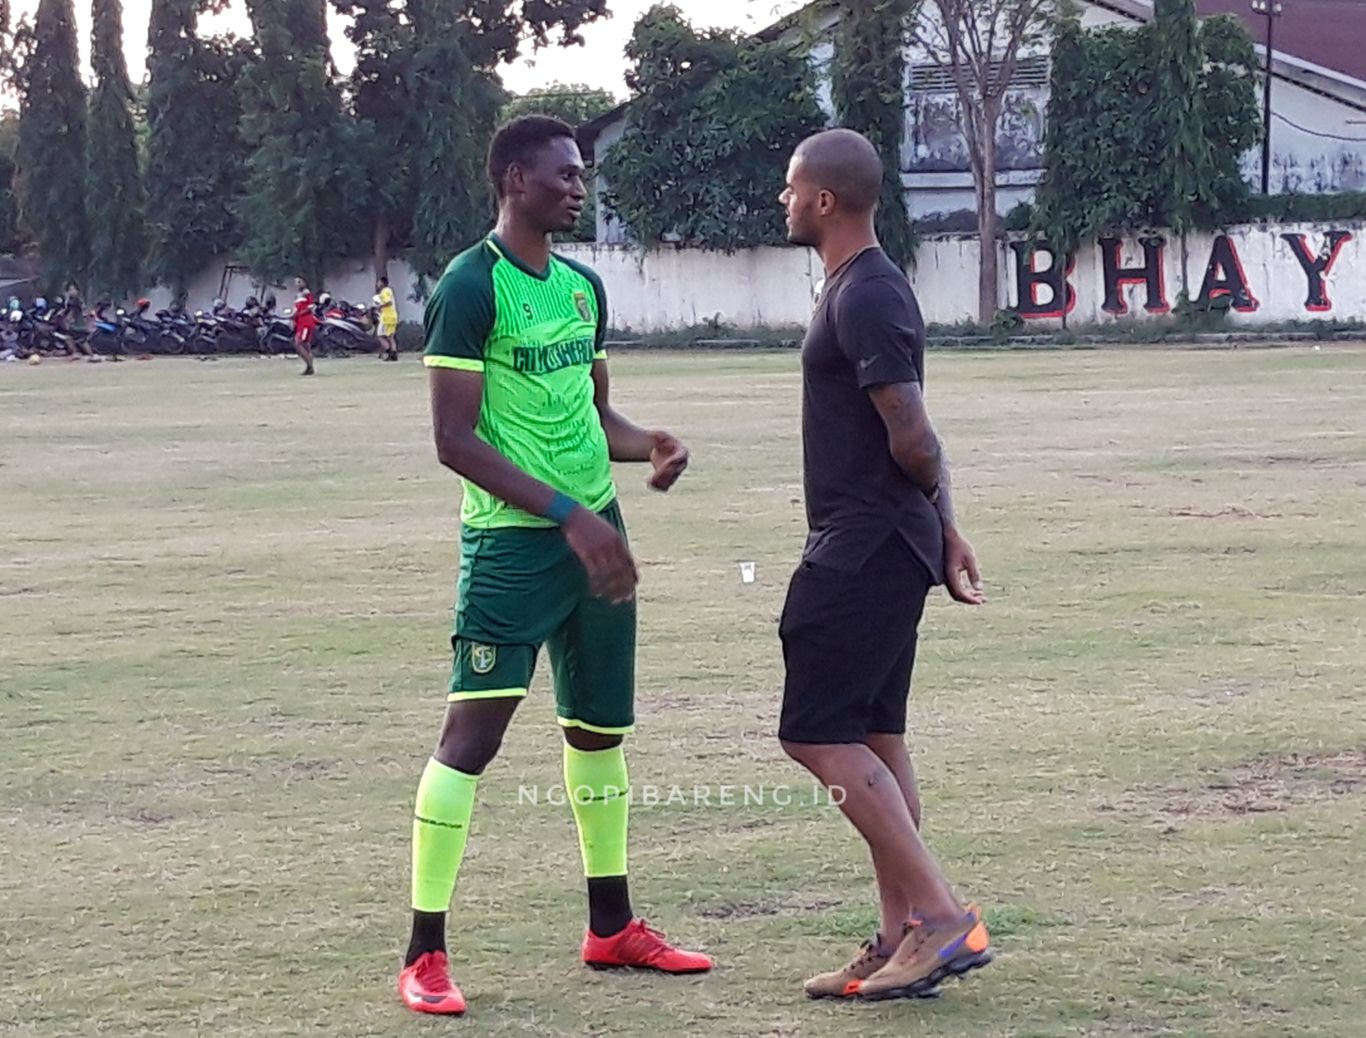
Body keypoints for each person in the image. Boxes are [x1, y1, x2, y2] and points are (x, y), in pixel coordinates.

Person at [398, 114, 712, 1017]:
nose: (579, 186)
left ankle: (611, 926)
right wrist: (569, 515)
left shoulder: (581, 289)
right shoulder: (470, 286)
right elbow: (453, 441)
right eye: (563, 174)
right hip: (513, 546)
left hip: (595, 539)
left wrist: (647, 442)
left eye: (582, 175)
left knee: (599, 733)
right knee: (473, 739)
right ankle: (423, 952)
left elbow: (594, 418)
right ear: (512, 180)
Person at [776, 127, 992, 1002]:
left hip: (862, 546)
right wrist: (943, 527)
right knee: (875, 736)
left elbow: (914, 434)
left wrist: (938, 520)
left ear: (825, 200)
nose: (783, 201)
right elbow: (914, 435)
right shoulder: (857, 288)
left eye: (791, 189)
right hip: (889, 539)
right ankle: (904, 937)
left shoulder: (865, 295)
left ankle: (939, 920)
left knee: (815, 733)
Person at [291, 277, 318, 375]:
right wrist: (293, 317)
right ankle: (309, 366)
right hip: (299, 322)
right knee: (305, 345)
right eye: (296, 282)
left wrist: (299, 314)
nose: (297, 284)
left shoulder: (307, 293)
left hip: (306, 321)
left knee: (299, 343)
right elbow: (295, 309)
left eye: (299, 282)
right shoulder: (297, 296)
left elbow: (310, 307)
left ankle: (309, 365)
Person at [374, 276, 399, 361]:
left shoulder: (384, 292)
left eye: (378, 282)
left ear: (382, 283)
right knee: (391, 337)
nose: (377, 284)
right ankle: (394, 355)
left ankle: (390, 353)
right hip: (393, 316)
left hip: (386, 317)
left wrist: (380, 306)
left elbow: (388, 302)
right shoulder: (389, 290)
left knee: (380, 336)